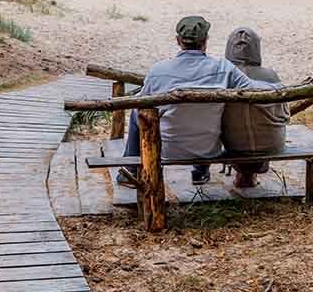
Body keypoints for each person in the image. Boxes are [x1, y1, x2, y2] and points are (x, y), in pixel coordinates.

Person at [119, 16, 269, 186]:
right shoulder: (223, 68)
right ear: (205, 40)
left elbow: (142, 104)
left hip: (167, 150)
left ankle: (130, 169)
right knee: (207, 114)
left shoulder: (159, 70)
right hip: (208, 150)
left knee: (136, 112)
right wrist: (274, 84)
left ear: (178, 40)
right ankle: (200, 171)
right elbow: (254, 89)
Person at [221, 27, 289, 188]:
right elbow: (285, 114)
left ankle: (242, 173)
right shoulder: (270, 76)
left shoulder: (222, 76)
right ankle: (250, 175)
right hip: (271, 145)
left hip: (234, 147)